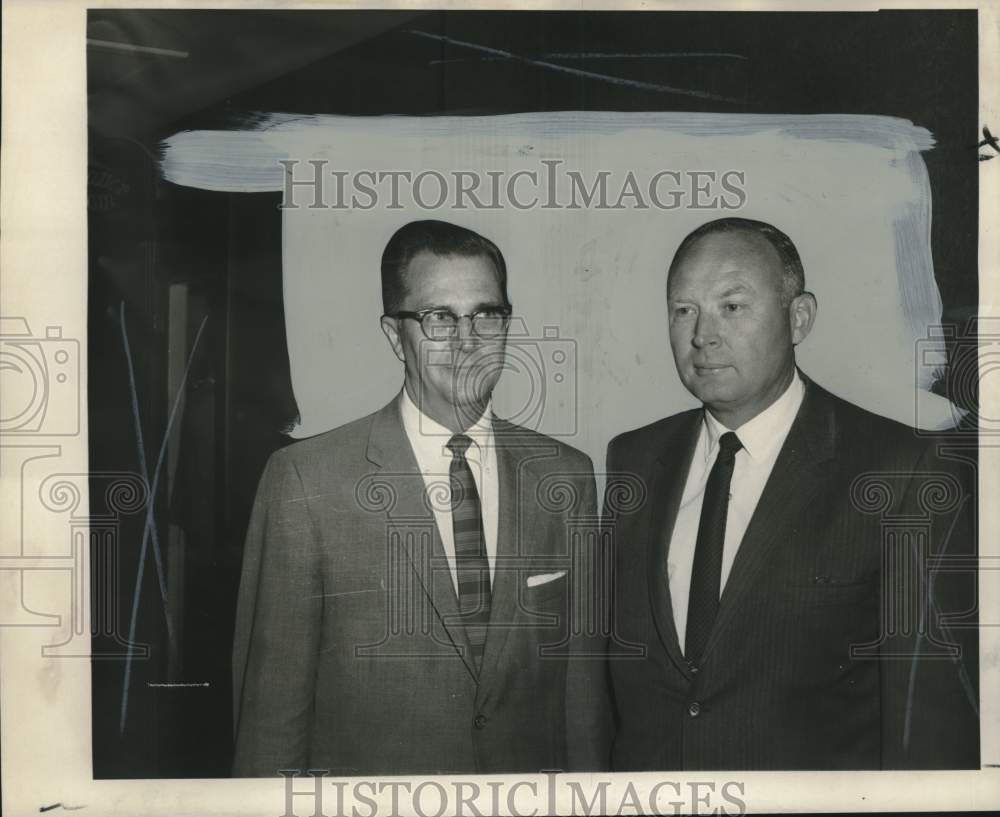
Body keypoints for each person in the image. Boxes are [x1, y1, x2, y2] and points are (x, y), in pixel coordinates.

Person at [232, 219, 609, 776]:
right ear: (394, 335)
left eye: (487, 314)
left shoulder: (567, 478)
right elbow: (271, 719)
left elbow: (582, 703)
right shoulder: (307, 482)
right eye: (439, 318)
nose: (468, 340)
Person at [605, 217, 978, 770]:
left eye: (732, 306)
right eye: (683, 309)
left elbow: (929, 717)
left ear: (798, 317)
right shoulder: (632, 458)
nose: (702, 334)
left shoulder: (902, 469)